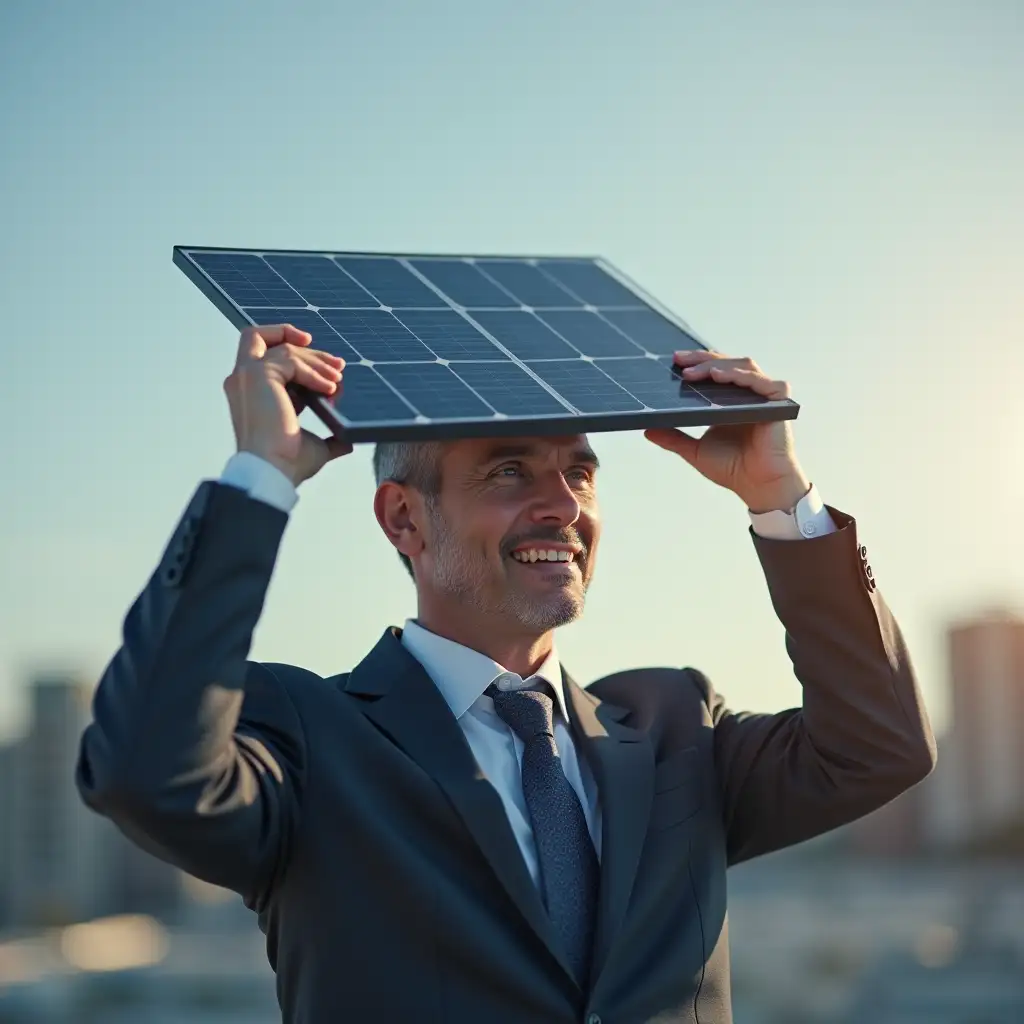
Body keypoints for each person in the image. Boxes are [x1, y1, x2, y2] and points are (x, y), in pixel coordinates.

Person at [76, 323, 935, 1024]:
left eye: (580, 474)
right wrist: (260, 475)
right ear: (404, 519)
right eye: (510, 471)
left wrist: (782, 498)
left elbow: (881, 747)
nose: (561, 503)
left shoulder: (678, 727)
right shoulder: (308, 738)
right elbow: (143, 772)